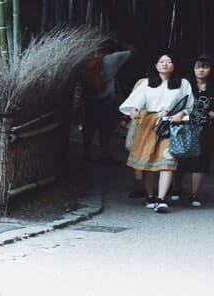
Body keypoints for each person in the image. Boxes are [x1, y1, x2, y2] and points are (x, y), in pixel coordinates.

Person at [121, 51, 189, 212]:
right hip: (150, 123)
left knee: (168, 161)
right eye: (161, 61)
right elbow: (135, 102)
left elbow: (188, 104)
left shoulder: (183, 83)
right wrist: (134, 110)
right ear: (155, 65)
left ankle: (161, 199)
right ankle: (150, 195)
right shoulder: (146, 83)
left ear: (175, 65)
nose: (164, 64)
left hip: (171, 124)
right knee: (149, 161)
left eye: (169, 61)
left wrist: (182, 113)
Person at [169, 55, 214, 208]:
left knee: (201, 160)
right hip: (186, 126)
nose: (201, 70)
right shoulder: (185, 84)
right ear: (193, 68)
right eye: (198, 66)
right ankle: (176, 189)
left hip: (206, 128)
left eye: (205, 66)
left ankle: (194, 194)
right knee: (181, 157)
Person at [79, 41, 131, 163]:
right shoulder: (113, 58)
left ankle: (87, 154)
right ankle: (105, 155)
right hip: (105, 99)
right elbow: (134, 51)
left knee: (88, 128)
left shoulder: (84, 60)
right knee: (105, 128)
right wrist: (121, 43)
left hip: (88, 98)